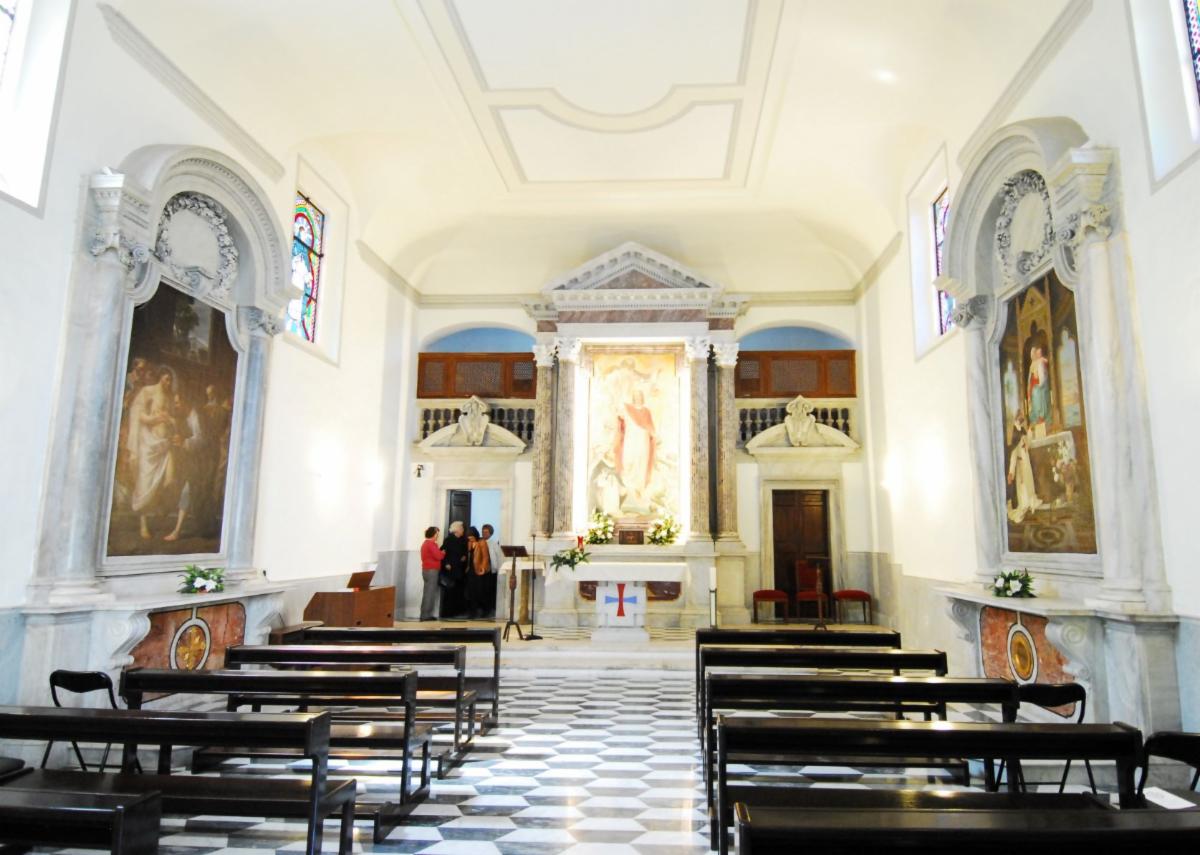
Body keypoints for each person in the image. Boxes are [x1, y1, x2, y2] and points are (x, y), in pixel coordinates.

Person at [440, 521, 469, 619]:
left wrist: (464, 556)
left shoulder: (463, 540)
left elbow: (465, 552)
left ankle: (458, 612)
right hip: (450, 570)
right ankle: (448, 613)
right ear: (456, 530)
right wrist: (446, 563)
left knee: (459, 591)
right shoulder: (448, 540)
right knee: (450, 592)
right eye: (461, 528)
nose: (463, 530)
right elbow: (443, 552)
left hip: (460, 569)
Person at [419, 526, 445, 621]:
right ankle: (426, 615)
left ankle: (425, 614)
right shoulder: (431, 544)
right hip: (432, 571)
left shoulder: (425, 543)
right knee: (430, 593)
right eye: (437, 534)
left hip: (426, 570)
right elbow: (439, 556)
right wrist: (443, 552)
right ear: (433, 534)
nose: (437, 536)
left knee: (427, 593)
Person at [481, 524, 503, 619]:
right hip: (481, 570)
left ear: (490, 533)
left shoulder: (494, 544)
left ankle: (489, 610)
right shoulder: (480, 542)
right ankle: (483, 609)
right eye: (483, 532)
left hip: (491, 571)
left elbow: (497, 557)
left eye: (486, 532)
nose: (484, 534)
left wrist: (496, 568)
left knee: (489, 591)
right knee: (482, 591)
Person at [466, 526, 488, 619]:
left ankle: (483, 610)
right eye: (469, 538)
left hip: (479, 569)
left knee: (479, 591)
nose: (470, 539)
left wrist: (483, 568)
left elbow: (485, 557)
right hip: (471, 569)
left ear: (475, 535)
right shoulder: (469, 543)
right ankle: (472, 612)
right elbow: (468, 555)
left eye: (471, 537)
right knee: (471, 591)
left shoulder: (482, 542)